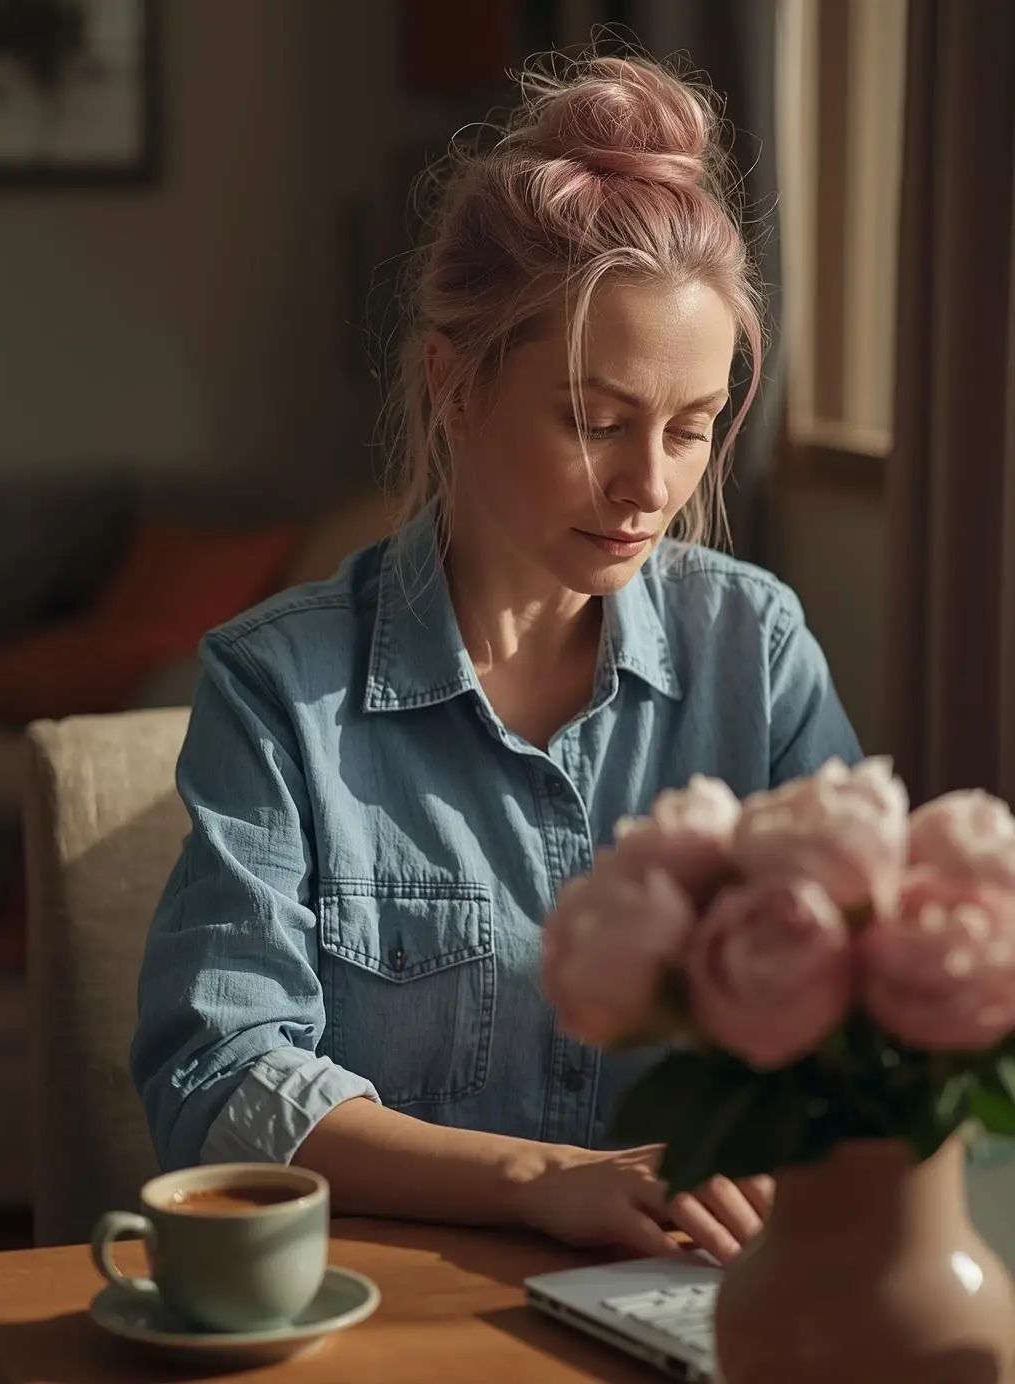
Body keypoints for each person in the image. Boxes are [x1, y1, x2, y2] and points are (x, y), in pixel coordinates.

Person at [131, 51, 861, 1266]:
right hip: (389, 1324)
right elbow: (219, 1078)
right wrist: (539, 1181)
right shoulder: (278, 691)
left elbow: (856, 1012)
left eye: (690, 430)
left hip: (693, 1303)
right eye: (593, 419)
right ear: (453, 384)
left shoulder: (756, 651)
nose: (649, 488)